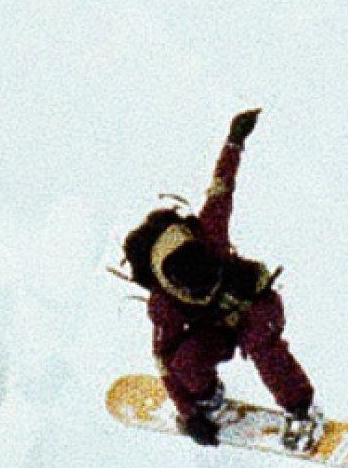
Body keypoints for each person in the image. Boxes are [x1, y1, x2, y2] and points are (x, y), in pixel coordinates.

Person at [119, 107, 318, 444]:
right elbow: (164, 360)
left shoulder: (210, 233)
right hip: (215, 327)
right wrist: (190, 413)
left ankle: (300, 410)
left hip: (254, 304)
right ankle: (210, 398)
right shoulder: (162, 304)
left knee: (264, 347)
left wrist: (234, 141)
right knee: (186, 361)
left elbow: (222, 186)